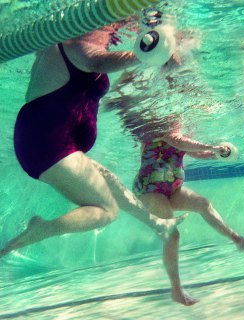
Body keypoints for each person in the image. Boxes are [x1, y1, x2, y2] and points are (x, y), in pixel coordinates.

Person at [0, 22, 185, 257]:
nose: (117, 30)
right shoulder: (74, 44)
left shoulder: (70, 44)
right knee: (107, 211)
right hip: (47, 142)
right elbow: (97, 62)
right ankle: (42, 229)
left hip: (50, 141)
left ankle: (159, 224)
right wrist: (151, 53)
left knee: (109, 181)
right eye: (114, 24)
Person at [129, 116, 244, 306]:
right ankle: (176, 290)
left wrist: (213, 154)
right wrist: (212, 147)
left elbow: (190, 150)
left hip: (172, 188)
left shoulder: (176, 130)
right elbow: (178, 141)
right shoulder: (157, 128)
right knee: (171, 234)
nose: (180, 122)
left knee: (202, 203)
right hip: (149, 189)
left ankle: (239, 241)